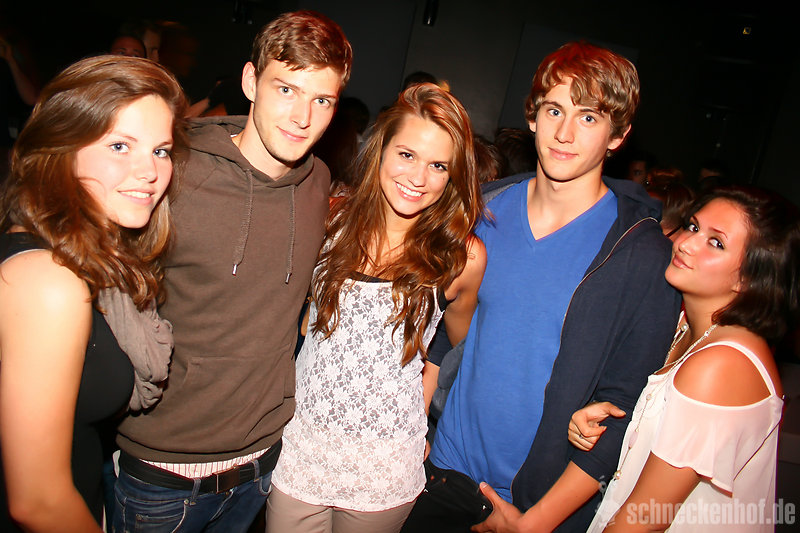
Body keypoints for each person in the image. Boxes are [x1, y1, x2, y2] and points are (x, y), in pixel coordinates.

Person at [401, 41, 682, 533]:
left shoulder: (640, 255)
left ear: (618, 135)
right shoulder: (482, 210)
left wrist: (534, 524)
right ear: (532, 116)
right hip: (441, 471)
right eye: (555, 110)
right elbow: (442, 331)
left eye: (589, 117)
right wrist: (410, 435)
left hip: (535, 505)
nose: (565, 133)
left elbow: (622, 405)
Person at [113, 10, 352, 533]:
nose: (302, 117)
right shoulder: (175, 171)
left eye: (322, 100)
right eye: (286, 89)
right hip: (163, 472)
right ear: (250, 82)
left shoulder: (318, 182)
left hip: (261, 466)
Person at [265, 83, 485, 533]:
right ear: (381, 148)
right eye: (406, 155)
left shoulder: (461, 256)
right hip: (302, 448)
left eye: (438, 165)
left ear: (454, 176)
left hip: (385, 468)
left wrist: (420, 409)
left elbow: (449, 344)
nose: (418, 178)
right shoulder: (331, 219)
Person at [0, 55, 186, 532]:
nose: (150, 171)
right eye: (120, 146)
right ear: (61, 147)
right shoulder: (47, 281)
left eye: (161, 150)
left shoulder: (76, 260)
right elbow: (38, 501)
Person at [570, 186, 797, 532]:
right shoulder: (687, 327)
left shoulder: (722, 363)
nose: (687, 243)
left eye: (716, 242)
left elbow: (646, 518)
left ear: (750, 278)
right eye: (693, 226)